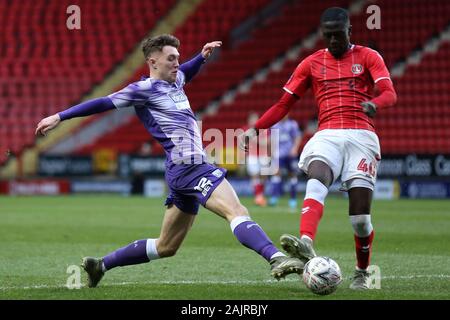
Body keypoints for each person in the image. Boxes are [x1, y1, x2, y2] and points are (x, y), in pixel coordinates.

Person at [35, 34, 304, 288]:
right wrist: (60, 117)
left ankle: (101, 265)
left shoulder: (177, 80)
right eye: (171, 58)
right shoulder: (143, 90)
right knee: (237, 212)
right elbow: (103, 103)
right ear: (153, 62)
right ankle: (276, 258)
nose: (177, 62)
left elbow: (189, 69)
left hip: (180, 171)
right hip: (190, 167)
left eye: (177, 57)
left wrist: (201, 57)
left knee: (166, 247)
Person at [239, 8, 397, 289]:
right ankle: (306, 244)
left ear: (349, 31)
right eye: (328, 36)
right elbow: (283, 104)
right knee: (317, 177)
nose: (333, 41)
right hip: (327, 134)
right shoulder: (311, 63)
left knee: (360, 219)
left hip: (362, 136)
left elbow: (389, 92)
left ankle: (362, 271)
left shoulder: (369, 56)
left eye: (338, 35)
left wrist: (376, 104)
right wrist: (256, 128)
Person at [268, 115, 302, 209]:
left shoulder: (292, 124)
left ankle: (293, 199)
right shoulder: (275, 125)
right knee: (276, 173)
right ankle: (274, 197)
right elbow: (272, 140)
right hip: (278, 154)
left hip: (290, 154)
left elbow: (297, 137)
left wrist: (295, 148)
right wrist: (271, 152)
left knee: (292, 175)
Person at [244, 112, 270, 206]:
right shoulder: (246, 129)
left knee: (263, 176)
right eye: (252, 119)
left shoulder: (264, 129)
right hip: (252, 155)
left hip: (263, 155)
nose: (253, 121)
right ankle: (258, 197)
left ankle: (261, 195)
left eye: (255, 119)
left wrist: (256, 140)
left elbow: (266, 142)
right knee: (254, 176)